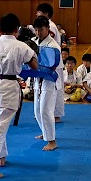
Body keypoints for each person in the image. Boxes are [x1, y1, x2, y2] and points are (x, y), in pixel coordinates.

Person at [0, 13, 38, 178]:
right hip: (9, 88)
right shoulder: (22, 47)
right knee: (0, 126)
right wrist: (32, 54)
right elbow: (34, 66)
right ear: (17, 30)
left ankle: (0, 156)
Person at [32, 16, 61, 151]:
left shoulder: (54, 46)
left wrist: (35, 65)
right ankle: (45, 132)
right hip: (37, 79)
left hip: (49, 80)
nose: (38, 33)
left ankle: (52, 141)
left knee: (45, 111)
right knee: (37, 111)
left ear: (48, 29)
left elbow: (52, 66)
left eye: (41, 30)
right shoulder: (33, 42)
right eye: (36, 30)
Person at [35, 3, 64, 123]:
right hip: (44, 64)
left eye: (39, 13)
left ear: (46, 14)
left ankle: (55, 114)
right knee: (42, 92)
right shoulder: (44, 28)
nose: (37, 15)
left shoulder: (50, 26)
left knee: (55, 89)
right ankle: (49, 114)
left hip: (53, 64)